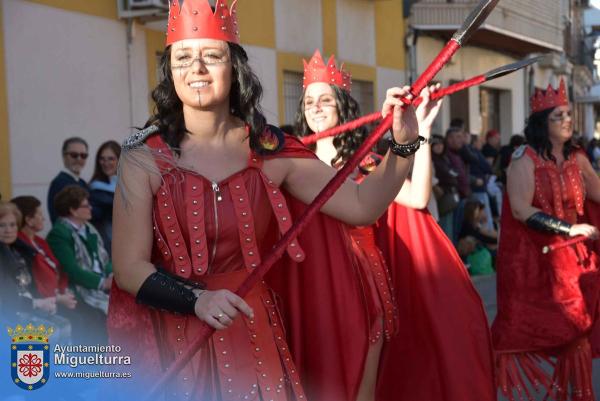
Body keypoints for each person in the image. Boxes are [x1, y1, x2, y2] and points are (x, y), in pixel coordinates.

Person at [107, 2, 421, 400]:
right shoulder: (142, 157)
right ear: (170, 69)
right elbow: (128, 268)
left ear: (234, 66)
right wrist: (196, 300)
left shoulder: (270, 149)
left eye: (211, 56)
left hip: (253, 336)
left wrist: (404, 144)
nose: (196, 69)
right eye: (183, 57)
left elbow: (361, 205)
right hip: (175, 338)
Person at [295, 50, 495, 401]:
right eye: (309, 100)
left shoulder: (365, 162)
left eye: (325, 99)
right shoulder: (292, 160)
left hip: (360, 284)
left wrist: (424, 132)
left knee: (360, 389)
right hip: (309, 284)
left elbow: (417, 197)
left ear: (343, 106)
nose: (316, 107)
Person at [492, 79, 600, 401]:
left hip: (578, 255)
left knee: (579, 327)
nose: (568, 120)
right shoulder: (523, 159)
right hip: (540, 258)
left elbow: (596, 191)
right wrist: (568, 230)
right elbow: (523, 211)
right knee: (562, 325)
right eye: (559, 116)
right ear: (543, 122)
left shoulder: (577, 157)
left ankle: (576, 392)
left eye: (568, 115)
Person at [47, 185, 112, 343]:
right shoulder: (59, 233)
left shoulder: (89, 228)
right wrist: (102, 283)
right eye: (85, 205)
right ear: (73, 210)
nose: (90, 207)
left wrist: (111, 274)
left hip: (99, 282)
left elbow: (104, 258)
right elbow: (71, 270)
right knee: (96, 318)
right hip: (77, 289)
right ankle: (96, 363)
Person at [11, 196, 77, 310]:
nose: (44, 219)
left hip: (58, 296)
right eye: (40, 215)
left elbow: (58, 269)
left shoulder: (40, 242)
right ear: (29, 220)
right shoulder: (21, 246)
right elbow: (36, 282)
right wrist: (58, 298)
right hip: (45, 301)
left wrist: (63, 291)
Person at [47, 137, 90, 223]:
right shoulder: (59, 183)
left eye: (83, 155)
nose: (79, 159)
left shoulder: (82, 182)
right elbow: (58, 218)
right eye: (74, 155)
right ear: (64, 156)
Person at [89, 140, 121, 253]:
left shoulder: (128, 184)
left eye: (111, 158)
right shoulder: (96, 189)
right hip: (110, 246)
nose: (106, 163)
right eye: (102, 159)